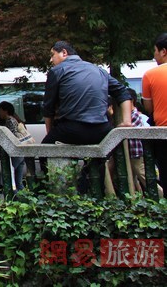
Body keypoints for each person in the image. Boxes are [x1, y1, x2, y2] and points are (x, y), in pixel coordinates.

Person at [42, 41, 132, 193]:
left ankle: (50, 194)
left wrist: (50, 133)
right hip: (101, 131)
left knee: (43, 152)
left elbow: (48, 107)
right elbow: (123, 92)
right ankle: (95, 193)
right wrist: (127, 121)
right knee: (96, 162)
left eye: (52, 55)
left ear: (64, 53)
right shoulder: (99, 70)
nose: (51, 60)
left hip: (71, 129)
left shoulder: (57, 71)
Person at [141, 32, 167, 190]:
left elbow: (149, 108)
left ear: (163, 51)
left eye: (155, 51)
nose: (154, 55)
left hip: (163, 133)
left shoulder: (150, 74)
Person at [0, 102, 29, 191]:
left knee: (8, 177)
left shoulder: (9, 121)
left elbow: (11, 136)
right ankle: (26, 199)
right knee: (18, 182)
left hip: (15, 154)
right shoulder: (15, 119)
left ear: (5, 111)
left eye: (0, 111)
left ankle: (12, 199)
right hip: (20, 153)